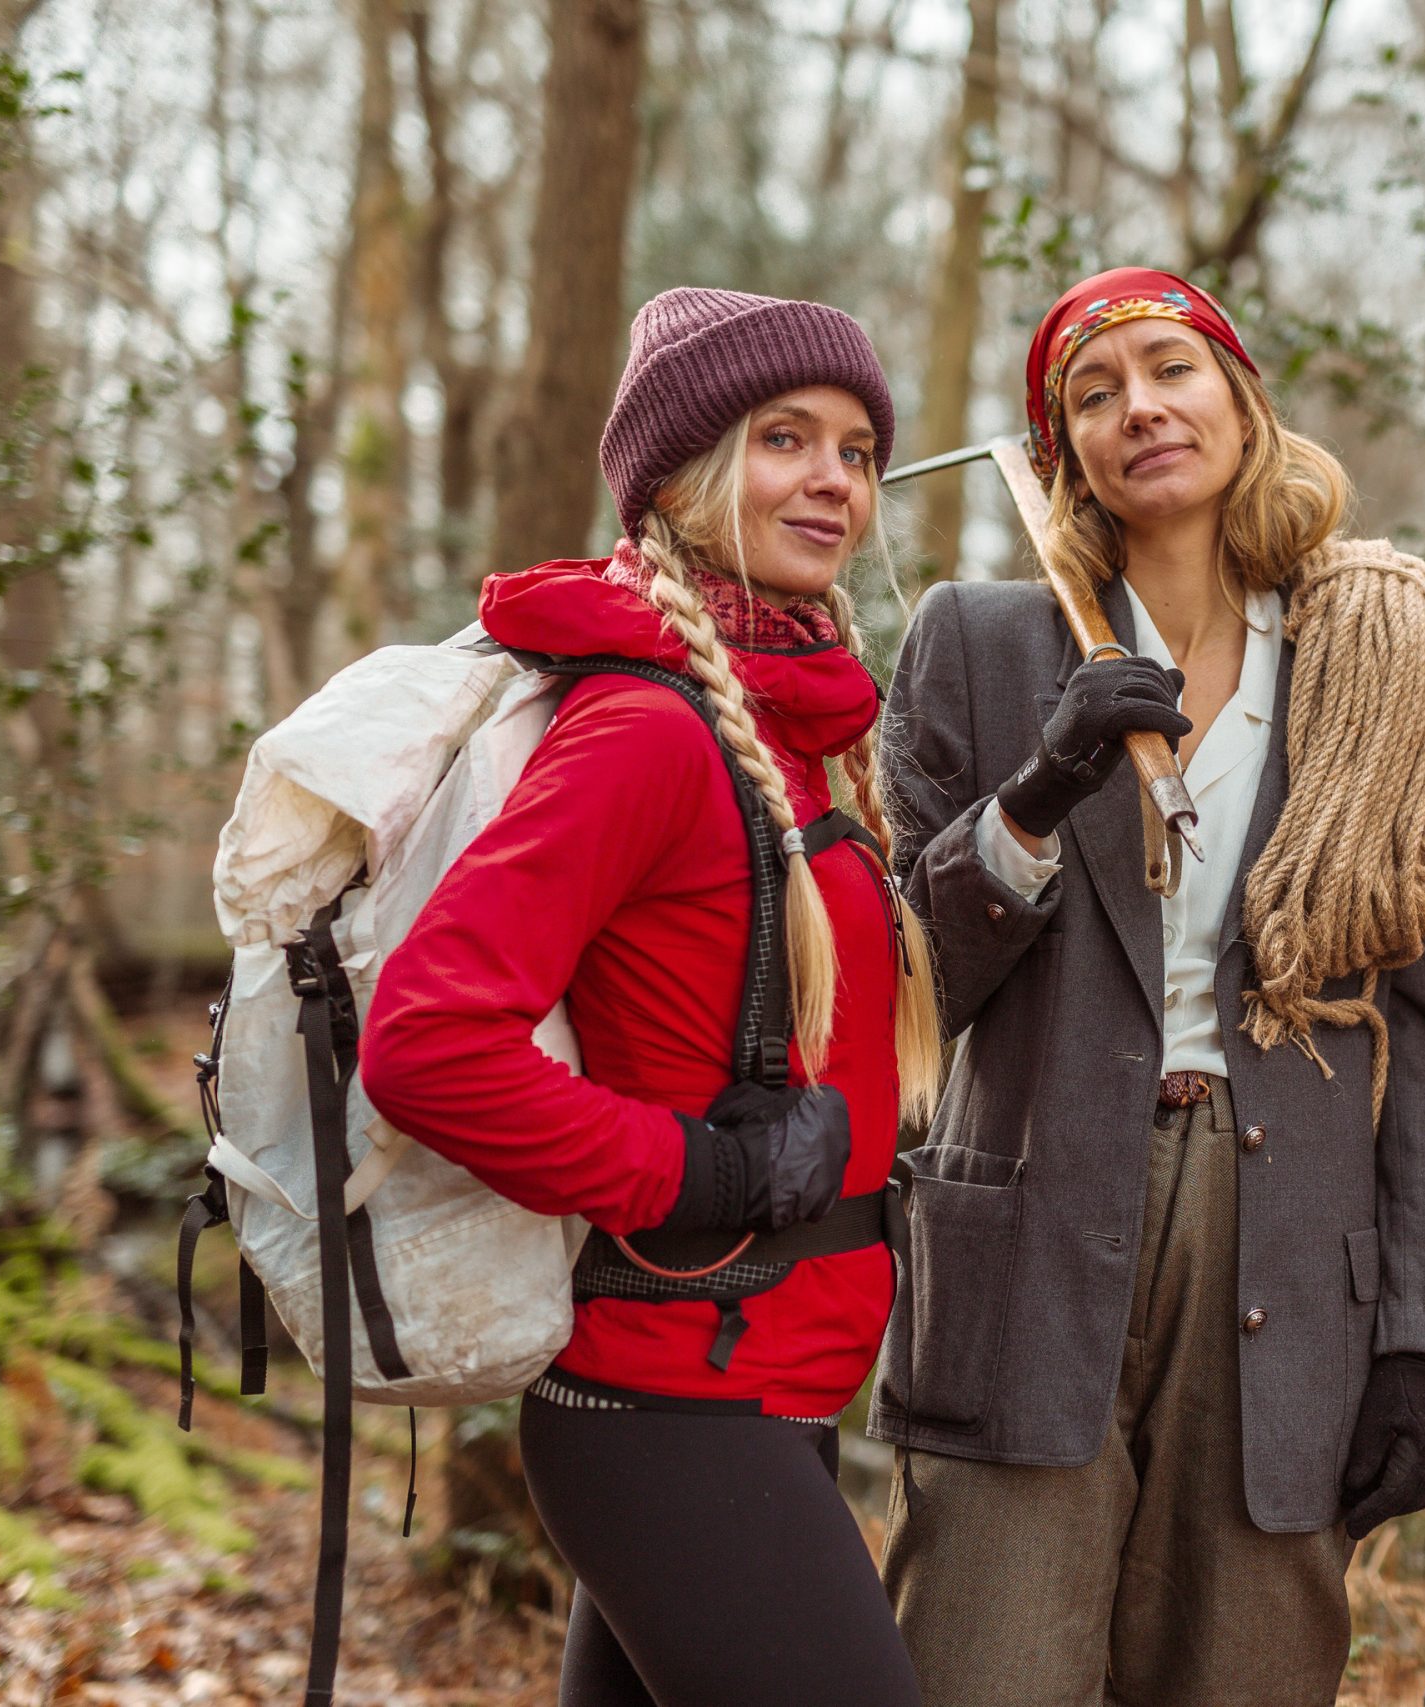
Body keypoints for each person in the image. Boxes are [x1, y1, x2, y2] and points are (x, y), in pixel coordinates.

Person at [870, 266, 1425, 1707]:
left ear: (1241, 396)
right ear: (1062, 454)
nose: (1141, 409)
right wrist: (1034, 799)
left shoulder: (1394, 685)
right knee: (985, 1671)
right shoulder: (977, 646)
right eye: (1095, 395)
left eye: (1171, 369)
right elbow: (906, 987)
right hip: (1026, 1237)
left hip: (1289, 1247)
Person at [358, 286, 941, 1707]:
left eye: (858, 450)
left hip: (761, 1383)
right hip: (680, 1398)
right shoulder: (647, 730)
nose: (834, 480)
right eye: (785, 439)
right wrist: (697, 1168)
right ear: (683, 477)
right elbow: (426, 1041)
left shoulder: (794, 731)